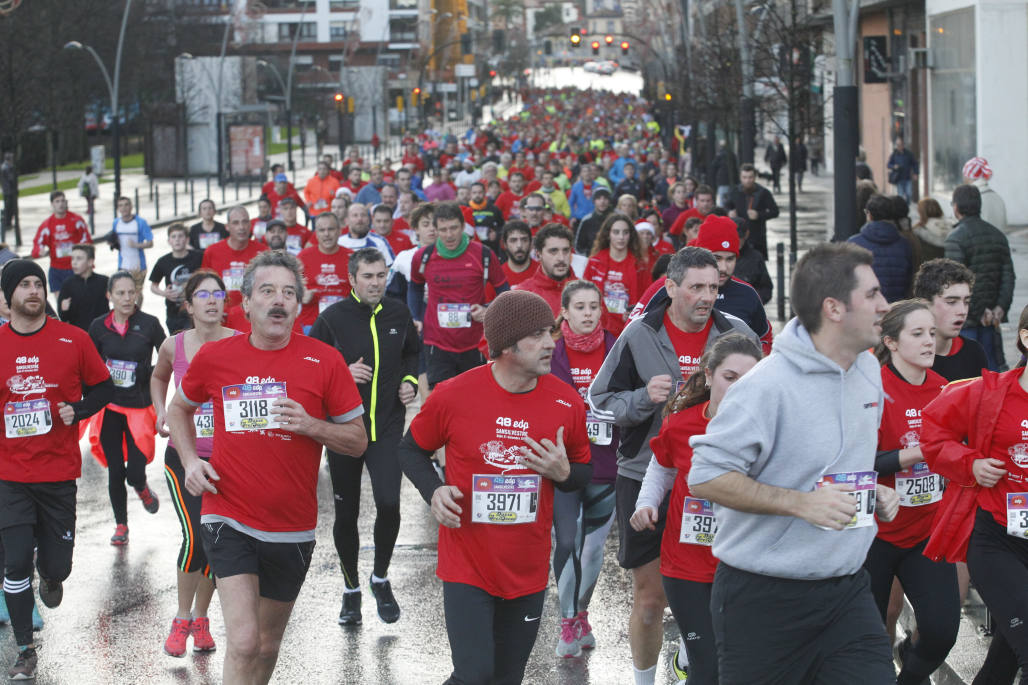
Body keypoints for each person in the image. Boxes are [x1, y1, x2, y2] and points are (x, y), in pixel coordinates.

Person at [687, 242, 900, 684]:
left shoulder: (868, 369)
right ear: (834, 308)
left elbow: (833, 463)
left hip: (847, 591)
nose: (885, 305)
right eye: (874, 295)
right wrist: (800, 504)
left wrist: (869, 490)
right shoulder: (766, 387)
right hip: (763, 598)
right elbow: (705, 477)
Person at [165, 250, 367, 685]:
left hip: (292, 526)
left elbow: (357, 440)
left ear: (298, 305)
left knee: (268, 645)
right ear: (247, 302)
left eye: (289, 293)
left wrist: (313, 425)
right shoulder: (218, 357)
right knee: (242, 640)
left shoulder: (325, 360)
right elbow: (178, 408)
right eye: (268, 291)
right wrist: (188, 462)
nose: (279, 301)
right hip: (228, 514)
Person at [397, 289, 593, 685]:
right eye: (537, 334)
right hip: (467, 563)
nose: (550, 343)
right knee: (474, 674)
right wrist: (434, 491)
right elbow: (410, 450)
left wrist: (563, 473)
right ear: (505, 345)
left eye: (550, 332)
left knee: (507, 677)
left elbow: (583, 476)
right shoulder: (454, 395)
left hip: (527, 568)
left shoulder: (566, 402)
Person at [588, 247, 759, 685]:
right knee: (649, 597)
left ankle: (693, 653)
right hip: (646, 472)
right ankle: (645, 680)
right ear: (670, 287)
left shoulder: (735, 332)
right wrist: (644, 398)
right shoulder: (639, 334)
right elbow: (601, 399)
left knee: (714, 587)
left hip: (720, 479)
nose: (707, 297)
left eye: (714, 288)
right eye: (697, 287)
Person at [0, 260, 113, 679]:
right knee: (14, 565)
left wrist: (78, 409)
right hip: (10, 474)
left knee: (57, 567)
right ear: (8, 295)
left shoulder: (73, 339)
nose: (33, 290)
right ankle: (25, 648)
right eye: (24, 284)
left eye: (38, 284)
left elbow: (103, 386)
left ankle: (50, 575)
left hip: (58, 472)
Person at [631, 333, 762, 685]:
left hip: (743, 566)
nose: (737, 388)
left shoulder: (766, 429)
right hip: (686, 565)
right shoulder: (683, 423)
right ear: (708, 375)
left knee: (736, 665)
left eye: (747, 380)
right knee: (707, 667)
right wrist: (645, 504)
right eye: (729, 378)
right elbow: (661, 467)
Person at [309, 248, 420, 626]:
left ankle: (380, 577)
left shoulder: (399, 313)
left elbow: (411, 354)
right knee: (347, 512)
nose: (376, 282)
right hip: (344, 428)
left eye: (381, 275)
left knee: (389, 502)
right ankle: (351, 588)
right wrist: (341, 371)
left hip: (387, 426)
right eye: (368, 276)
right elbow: (309, 368)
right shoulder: (331, 319)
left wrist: (408, 382)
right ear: (352, 278)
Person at [920, 303, 1028, 685]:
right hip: (998, 539)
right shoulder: (990, 391)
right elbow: (932, 430)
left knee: (1002, 663)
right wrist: (971, 464)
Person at [861, 299, 958, 683]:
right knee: (866, 638)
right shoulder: (872, 389)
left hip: (926, 532)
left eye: (932, 333)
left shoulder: (945, 390)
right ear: (892, 342)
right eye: (917, 334)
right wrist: (916, 453)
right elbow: (857, 461)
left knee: (941, 632)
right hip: (874, 536)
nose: (929, 342)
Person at [150, 270, 235, 658]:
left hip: (230, 459)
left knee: (218, 542)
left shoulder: (241, 343)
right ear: (188, 305)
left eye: (219, 293)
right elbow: (158, 377)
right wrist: (160, 413)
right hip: (184, 457)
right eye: (204, 295)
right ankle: (181, 618)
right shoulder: (174, 345)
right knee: (197, 536)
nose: (213, 300)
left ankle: (201, 617)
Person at [550, 281, 620, 658]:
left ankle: (581, 613)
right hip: (562, 464)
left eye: (594, 306)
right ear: (564, 312)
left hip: (605, 463)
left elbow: (632, 397)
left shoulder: (617, 350)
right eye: (580, 307)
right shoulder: (550, 352)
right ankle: (565, 622)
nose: (588, 313)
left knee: (592, 550)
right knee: (566, 541)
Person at [87, 271, 166, 544]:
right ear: (109, 296)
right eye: (120, 293)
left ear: (137, 293)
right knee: (115, 471)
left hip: (139, 407)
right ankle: (121, 525)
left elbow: (167, 359)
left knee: (133, 471)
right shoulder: (98, 327)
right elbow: (88, 363)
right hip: (109, 406)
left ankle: (141, 486)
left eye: (131, 292)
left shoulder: (150, 324)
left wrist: (147, 370)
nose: (126, 298)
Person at [407, 202, 508, 388]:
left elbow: (504, 291)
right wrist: (415, 316)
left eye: (454, 228)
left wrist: (488, 309)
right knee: (443, 401)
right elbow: (415, 287)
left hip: (474, 343)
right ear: (436, 230)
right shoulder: (423, 257)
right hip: (436, 343)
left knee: (473, 401)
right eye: (443, 229)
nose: (449, 234)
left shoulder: (483, 255)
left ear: (463, 227)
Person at [945, 184, 1014, 372]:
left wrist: (976, 309)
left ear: (956, 207)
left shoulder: (956, 238)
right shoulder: (998, 235)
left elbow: (955, 283)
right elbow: (1008, 276)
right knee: (992, 372)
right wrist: (999, 307)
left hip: (967, 319)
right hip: (992, 318)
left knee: (968, 375)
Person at [912, 258, 988, 381]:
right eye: (951, 302)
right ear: (925, 305)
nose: (962, 311)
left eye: (967, 302)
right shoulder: (905, 356)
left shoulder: (974, 352)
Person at [584, 213, 646, 337]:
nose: (621, 237)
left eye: (625, 232)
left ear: (631, 236)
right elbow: (583, 295)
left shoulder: (640, 266)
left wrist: (635, 314)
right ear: (608, 234)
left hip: (628, 330)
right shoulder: (594, 262)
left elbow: (647, 300)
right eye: (616, 232)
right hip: (599, 329)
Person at [848, 193, 913, 303]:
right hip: (895, 307)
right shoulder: (904, 244)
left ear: (869, 215)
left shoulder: (853, 243)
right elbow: (909, 278)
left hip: (865, 307)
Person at [200, 206, 268, 310]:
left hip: (253, 316)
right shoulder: (212, 252)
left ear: (250, 225)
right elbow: (204, 287)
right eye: (236, 223)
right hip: (222, 316)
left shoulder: (264, 252)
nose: (241, 227)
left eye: (245, 222)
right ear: (227, 227)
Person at [296, 212, 353, 331]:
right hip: (312, 323)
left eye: (331, 229)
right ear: (316, 234)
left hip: (345, 321)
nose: (326, 234)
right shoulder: (303, 257)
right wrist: (301, 295)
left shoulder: (352, 257)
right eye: (322, 230)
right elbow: (289, 289)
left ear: (339, 231)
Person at [30, 191, 91, 293]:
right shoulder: (47, 225)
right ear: (52, 204)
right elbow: (37, 244)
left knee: (78, 301)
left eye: (63, 201)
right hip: (56, 270)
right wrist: (39, 251)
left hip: (75, 268)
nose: (61, 204)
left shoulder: (76, 220)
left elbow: (87, 241)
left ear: (66, 202)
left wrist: (84, 259)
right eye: (57, 201)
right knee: (61, 304)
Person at [149, 223, 203, 334]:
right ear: (169, 241)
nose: (177, 240)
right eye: (173, 237)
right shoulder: (163, 261)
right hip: (174, 313)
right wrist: (164, 293)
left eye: (180, 236)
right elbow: (153, 286)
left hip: (195, 311)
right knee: (177, 346)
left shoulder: (198, 257)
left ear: (187, 239)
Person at [514, 224, 576, 317]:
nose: (561, 258)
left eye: (566, 250)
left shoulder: (588, 291)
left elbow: (604, 329)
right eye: (553, 251)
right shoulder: (522, 295)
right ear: (538, 254)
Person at [724, 163, 779, 260]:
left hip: (757, 236)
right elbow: (726, 206)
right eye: (744, 177)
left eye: (750, 177)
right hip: (738, 236)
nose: (747, 180)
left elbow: (775, 211)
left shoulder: (763, 193)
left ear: (755, 177)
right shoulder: (735, 191)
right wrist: (729, 212)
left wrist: (759, 215)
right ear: (740, 177)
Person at [107, 197, 154, 295]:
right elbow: (116, 240)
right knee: (122, 292)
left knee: (137, 292)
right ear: (117, 208)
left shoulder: (140, 222)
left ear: (131, 206)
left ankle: (138, 310)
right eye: (120, 205)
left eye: (126, 205)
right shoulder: (116, 222)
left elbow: (150, 243)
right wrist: (112, 243)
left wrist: (136, 245)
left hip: (138, 265)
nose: (123, 208)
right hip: (122, 264)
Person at [57, 244, 109, 331]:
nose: (74, 262)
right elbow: (63, 318)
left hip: (102, 333)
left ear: (90, 262)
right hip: (79, 334)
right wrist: (64, 310)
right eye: (72, 258)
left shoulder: (104, 281)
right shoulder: (68, 284)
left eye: (79, 258)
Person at [339, 203, 394, 267]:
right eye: (355, 215)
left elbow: (390, 269)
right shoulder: (339, 242)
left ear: (368, 220)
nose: (360, 219)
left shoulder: (379, 242)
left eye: (363, 215)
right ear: (346, 220)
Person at [962, 156, 1007, 234]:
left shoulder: (971, 199)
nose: (963, 179)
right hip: (1000, 244)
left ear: (969, 177)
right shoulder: (998, 198)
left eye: (964, 175)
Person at [733, 219, 773, 304]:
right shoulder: (717, 255)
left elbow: (766, 288)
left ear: (746, 234)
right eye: (734, 237)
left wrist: (754, 302)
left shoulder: (756, 257)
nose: (737, 241)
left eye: (740, 237)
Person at [574, 187, 613, 256]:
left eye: (605, 198)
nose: (602, 201)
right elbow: (579, 247)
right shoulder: (586, 220)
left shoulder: (616, 219)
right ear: (594, 201)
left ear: (609, 201)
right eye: (599, 198)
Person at [913, 198, 951, 263]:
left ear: (921, 213)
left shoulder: (918, 231)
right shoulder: (953, 228)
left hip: (927, 268)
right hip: (948, 268)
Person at [499, 221, 537, 287]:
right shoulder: (497, 276)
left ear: (531, 243)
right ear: (505, 244)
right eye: (513, 240)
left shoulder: (544, 272)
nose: (519, 245)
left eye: (524, 240)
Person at [887, 137, 918, 203]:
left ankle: (907, 206)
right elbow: (888, 165)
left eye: (900, 145)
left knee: (909, 194)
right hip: (899, 178)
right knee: (900, 196)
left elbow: (915, 163)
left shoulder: (909, 154)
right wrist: (894, 166)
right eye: (897, 145)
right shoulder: (894, 154)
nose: (899, 146)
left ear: (903, 145)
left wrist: (916, 173)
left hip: (907, 178)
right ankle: (902, 209)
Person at [1, 152, 17, 242]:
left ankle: (8, 223)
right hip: (9, 191)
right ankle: (8, 223)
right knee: (9, 208)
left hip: (6, 191)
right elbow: (11, 179)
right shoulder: (7, 167)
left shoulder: (4, 167)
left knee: (8, 208)